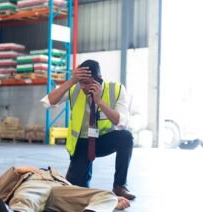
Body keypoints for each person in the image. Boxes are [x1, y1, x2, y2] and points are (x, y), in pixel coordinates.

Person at [41, 59, 136, 200]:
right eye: (82, 82)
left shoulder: (116, 90)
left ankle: (119, 186)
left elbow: (121, 122)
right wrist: (72, 81)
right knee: (77, 192)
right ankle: (75, 173)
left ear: (100, 79)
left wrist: (99, 102)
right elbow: (48, 102)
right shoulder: (74, 88)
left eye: (88, 83)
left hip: (104, 140)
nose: (84, 87)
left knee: (126, 137)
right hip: (82, 144)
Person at [0, 166, 130, 212]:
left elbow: (80, 193)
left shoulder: (59, 177)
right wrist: (17, 170)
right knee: (26, 198)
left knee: (108, 195)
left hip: (60, 189)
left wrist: (110, 202)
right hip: (34, 185)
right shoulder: (26, 175)